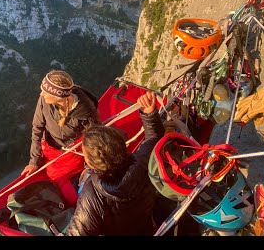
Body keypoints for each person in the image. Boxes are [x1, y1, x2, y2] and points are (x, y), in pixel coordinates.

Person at [65, 91, 164, 236]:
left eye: (85, 156)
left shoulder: (92, 193)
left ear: (92, 164)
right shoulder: (141, 161)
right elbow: (154, 137)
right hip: (147, 225)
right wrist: (149, 113)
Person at [21, 70, 100, 204]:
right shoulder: (44, 101)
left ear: (58, 97)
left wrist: (89, 166)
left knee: (67, 187)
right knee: (59, 180)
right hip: (53, 149)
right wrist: (34, 161)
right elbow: (37, 128)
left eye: (45, 92)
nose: (41, 94)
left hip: (76, 148)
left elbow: (94, 136)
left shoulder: (85, 109)